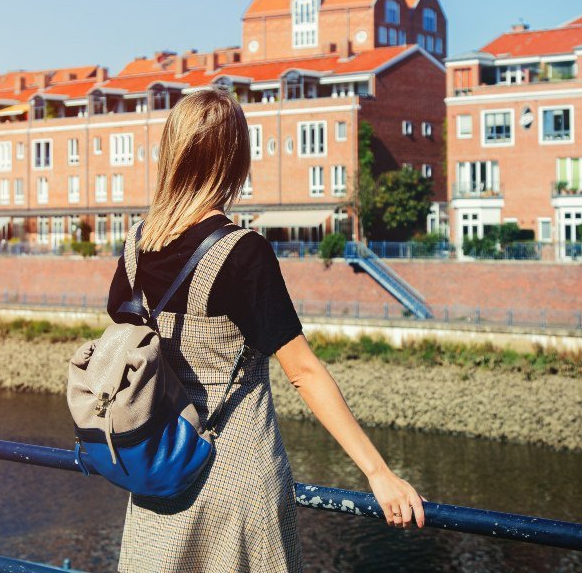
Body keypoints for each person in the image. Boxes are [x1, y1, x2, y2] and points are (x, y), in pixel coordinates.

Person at [105, 88, 425, 573]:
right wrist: (379, 474)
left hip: (159, 473)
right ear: (235, 160)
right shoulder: (242, 251)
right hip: (235, 481)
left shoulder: (136, 244)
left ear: (172, 153)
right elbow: (304, 372)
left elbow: (127, 336)